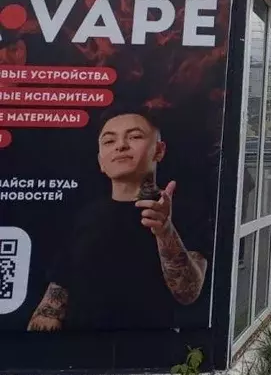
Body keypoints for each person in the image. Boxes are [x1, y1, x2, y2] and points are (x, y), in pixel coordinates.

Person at [27, 108, 209, 332]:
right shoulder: (85, 216)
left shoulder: (188, 212)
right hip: (80, 347)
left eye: (134, 136)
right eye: (109, 141)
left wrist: (165, 231)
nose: (120, 146)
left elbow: (188, 293)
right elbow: (60, 284)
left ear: (159, 150)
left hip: (149, 347)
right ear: (101, 161)